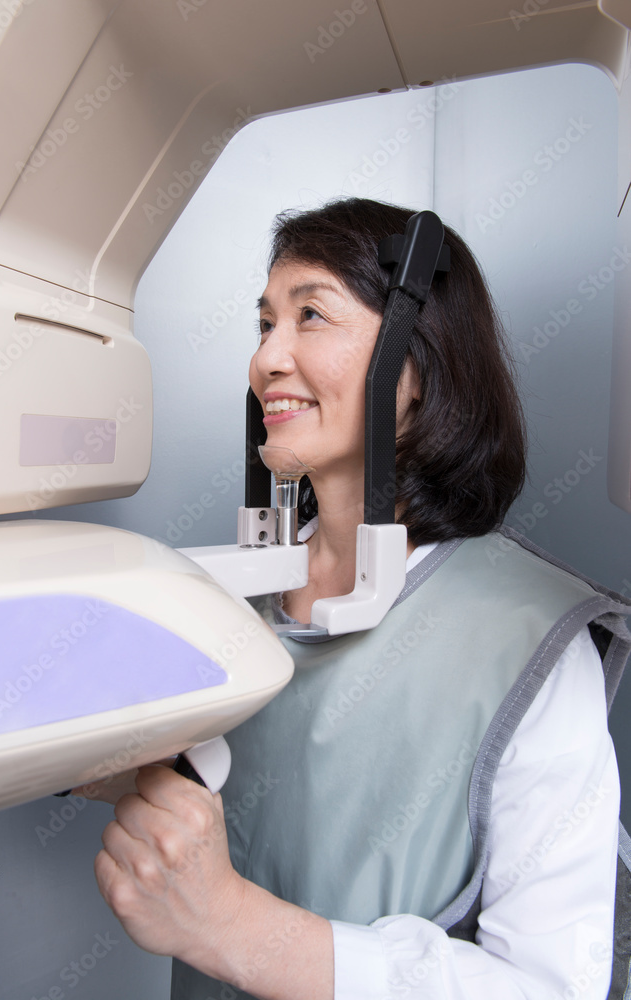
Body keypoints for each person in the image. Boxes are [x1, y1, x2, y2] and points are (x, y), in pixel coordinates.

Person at [88, 198, 630, 1000]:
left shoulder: (528, 644)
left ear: (418, 362)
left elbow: (548, 989)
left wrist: (231, 926)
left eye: (310, 315)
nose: (266, 358)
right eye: (263, 323)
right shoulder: (234, 593)